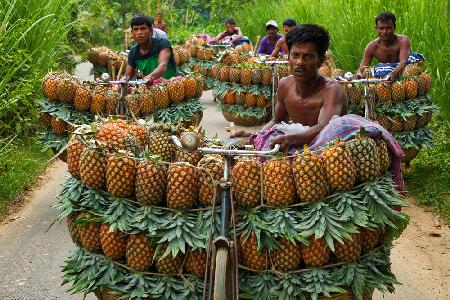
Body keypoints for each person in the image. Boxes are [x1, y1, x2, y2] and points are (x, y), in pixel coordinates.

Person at [355, 12, 410, 80]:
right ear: (376, 28)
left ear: (394, 27)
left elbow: (403, 62)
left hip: (402, 74)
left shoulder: (403, 41)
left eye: (388, 28)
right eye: (381, 28)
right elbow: (362, 69)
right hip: (384, 76)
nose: (385, 31)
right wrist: (359, 75)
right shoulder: (371, 47)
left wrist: (393, 74)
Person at [124, 14, 177, 84]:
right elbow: (127, 76)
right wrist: (123, 80)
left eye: (143, 28)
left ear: (151, 31)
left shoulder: (162, 43)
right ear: (132, 33)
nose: (139, 33)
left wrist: (150, 77)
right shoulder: (133, 51)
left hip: (172, 87)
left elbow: (163, 65)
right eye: (136, 29)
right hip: (151, 89)